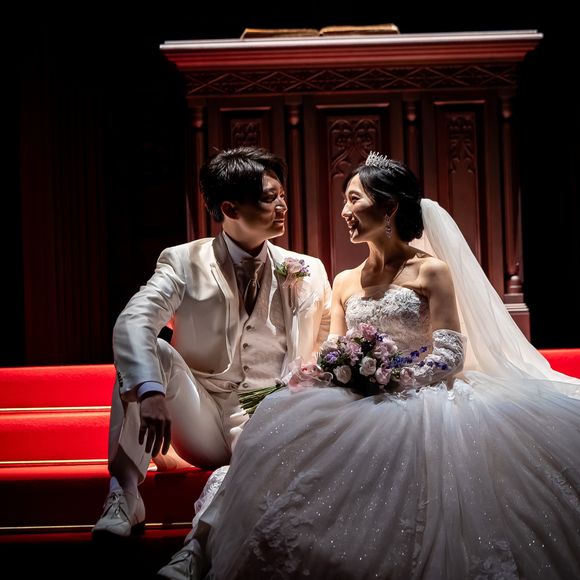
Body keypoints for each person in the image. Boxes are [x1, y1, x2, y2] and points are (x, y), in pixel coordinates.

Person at [167, 151, 580, 579]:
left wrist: (395, 378)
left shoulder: (431, 272)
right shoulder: (345, 280)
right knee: (273, 431)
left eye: (353, 200)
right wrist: (326, 370)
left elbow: (450, 354)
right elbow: (334, 347)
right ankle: (200, 546)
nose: (344, 212)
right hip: (361, 394)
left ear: (389, 207)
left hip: (423, 398)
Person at [91, 146, 331, 541]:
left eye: (283, 195)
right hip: (199, 416)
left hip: (270, 420)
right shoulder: (183, 261)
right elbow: (134, 321)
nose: (283, 206)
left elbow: (324, 342)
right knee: (154, 351)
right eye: (270, 197)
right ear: (230, 208)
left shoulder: (307, 269)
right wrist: (150, 391)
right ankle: (124, 494)